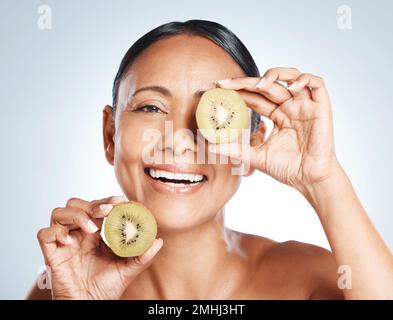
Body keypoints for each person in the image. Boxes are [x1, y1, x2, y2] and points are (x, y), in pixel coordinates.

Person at [27, 20, 393, 300]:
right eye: (152, 107)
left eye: (210, 112)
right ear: (110, 135)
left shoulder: (319, 279)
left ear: (253, 144)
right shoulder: (63, 286)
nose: (179, 140)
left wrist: (322, 177)